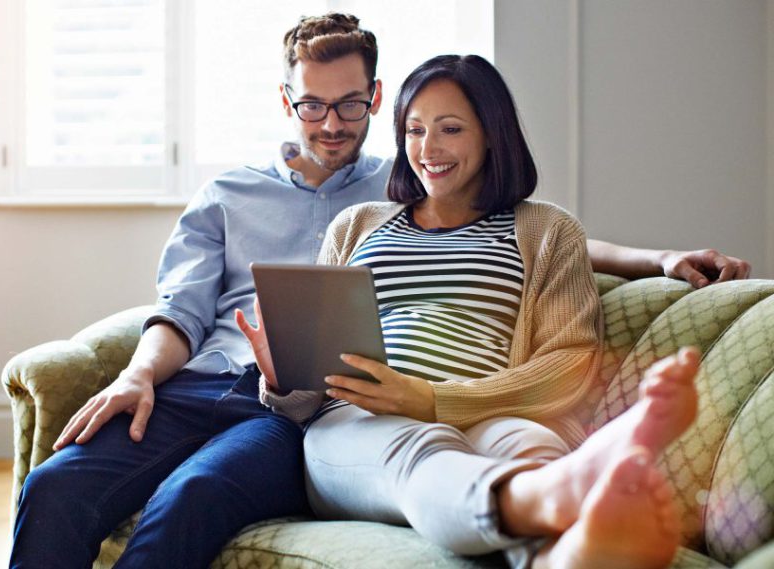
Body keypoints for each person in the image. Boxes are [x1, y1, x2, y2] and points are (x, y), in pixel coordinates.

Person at [10, 13, 748, 569]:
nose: (332, 125)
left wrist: (656, 257)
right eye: (312, 107)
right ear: (287, 101)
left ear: (374, 99)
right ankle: (555, 498)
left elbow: (547, 250)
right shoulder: (286, 203)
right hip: (273, 393)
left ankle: (575, 520)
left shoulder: (472, 201)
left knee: (522, 443)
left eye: (351, 106)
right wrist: (150, 375)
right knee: (59, 488)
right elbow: (186, 308)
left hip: (390, 402)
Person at [240, 54, 699, 569]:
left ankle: (567, 554)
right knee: (423, 451)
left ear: (491, 135)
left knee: (532, 445)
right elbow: (308, 400)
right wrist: (283, 379)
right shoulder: (358, 225)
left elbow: (568, 364)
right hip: (360, 424)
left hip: (491, 413)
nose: (428, 149)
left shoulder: (548, 230)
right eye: (414, 130)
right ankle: (559, 494)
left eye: (450, 129)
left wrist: (435, 398)